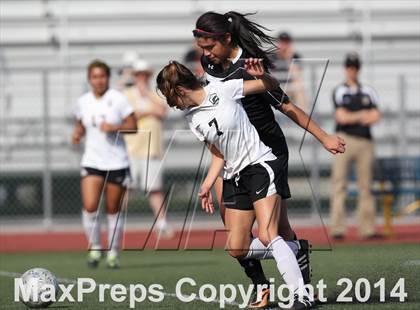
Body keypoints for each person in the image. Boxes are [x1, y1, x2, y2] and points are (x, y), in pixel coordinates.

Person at [156, 59, 345, 309]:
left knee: (268, 234)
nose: (173, 106)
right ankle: (293, 248)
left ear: (179, 91)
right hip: (234, 177)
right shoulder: (192, 119)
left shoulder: (222, 89)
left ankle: (302, 295)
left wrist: (262, 75)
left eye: (172, 99)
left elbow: (271, 85)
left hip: (260, 165)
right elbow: (218, 153)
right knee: (237, 248)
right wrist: (207, 183)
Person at [192, 11, 345, 307]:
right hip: (233, 155)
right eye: (202, 47)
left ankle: (302, 288)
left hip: (267, 152)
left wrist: (323, 136)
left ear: (226, 38)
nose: (205, 53)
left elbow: (286, 105)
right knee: (236, 239)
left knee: (273, 232)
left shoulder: (251, 65)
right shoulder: (209, 62)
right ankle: (263, 283)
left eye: (209, 46)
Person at [72, 59, 137, 268]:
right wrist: (77, 133)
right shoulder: (83, 101)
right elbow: (81, 124)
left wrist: (115, 126)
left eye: (102, 76)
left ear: (108, 77)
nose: (98, 80)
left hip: (116, 162)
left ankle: (113, 252)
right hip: (92, 160)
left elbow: (133, 125)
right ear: (89, 79)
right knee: (90, 207)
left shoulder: (118, 99)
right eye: (94, 77)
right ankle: (95, 248)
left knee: (112, 209)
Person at [330, 52, 381, 240]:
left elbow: (376, 116)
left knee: (366, 186)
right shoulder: (339, 91)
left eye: (355, 67)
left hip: (365, 142)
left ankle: (367, 228)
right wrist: (363, 115)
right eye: (350, 67)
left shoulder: (368, 90)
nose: (352, 70)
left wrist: (354, 116)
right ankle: (337, 228)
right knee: (339, 184)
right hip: (344, 140)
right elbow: (341, 117)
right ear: (346, 69)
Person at [123, 59, 173, 237]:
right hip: (131, 148)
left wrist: (146, 102)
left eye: (144, 74)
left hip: (151, 149)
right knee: (125, 188)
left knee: (155, 188)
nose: (142, 78)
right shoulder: (126, 94)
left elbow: (162, 111)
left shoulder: (154, 94)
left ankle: (162, 223)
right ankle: (117, 222)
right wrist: (147, 110)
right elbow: (130, 115)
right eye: (139, 74)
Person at [271, 32, 308, 111]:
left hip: (289, 89)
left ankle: (304, 115)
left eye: (286, 43)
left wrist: (289, 58)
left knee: (299, 88)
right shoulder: (271, 57)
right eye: (282, 42)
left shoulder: (295, 56)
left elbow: (296, 76)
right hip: (275, 87)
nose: (284, 46)